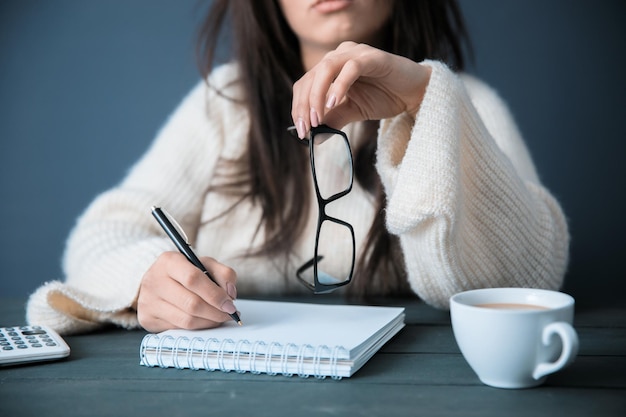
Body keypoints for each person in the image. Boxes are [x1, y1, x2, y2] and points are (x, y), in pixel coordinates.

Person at [26, 0, 569, 335]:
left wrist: (426, 103)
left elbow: (522, 283)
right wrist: (148, 278)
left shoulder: (461, 103)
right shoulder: (226, 103)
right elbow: (103, 236)